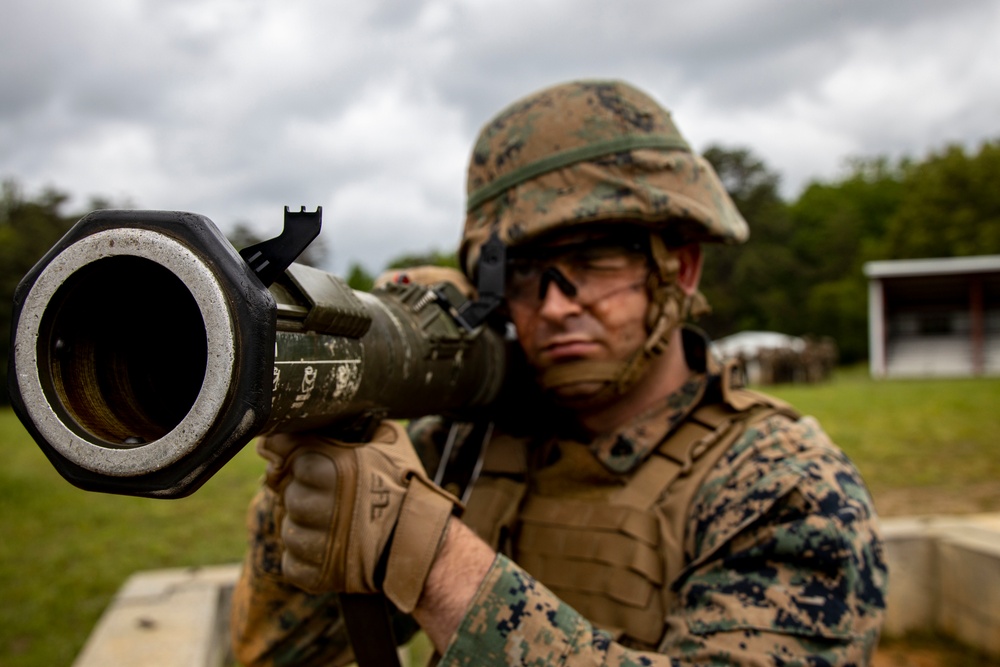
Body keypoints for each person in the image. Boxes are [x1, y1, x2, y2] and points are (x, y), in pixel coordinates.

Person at [230, 79, 888, 666]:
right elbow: (280, 652)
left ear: (681, 267)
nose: (553, 303)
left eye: (596, 258)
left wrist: (427, 557)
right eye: (518, 270)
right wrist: (333, 427)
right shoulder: (464, 443)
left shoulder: (783, 483)